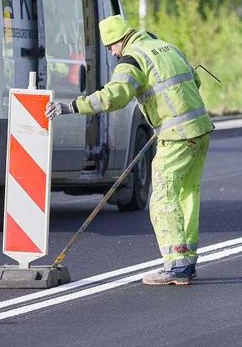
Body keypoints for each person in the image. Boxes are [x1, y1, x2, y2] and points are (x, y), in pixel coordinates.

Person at [46, 15, 213, 286]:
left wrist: (72, 107)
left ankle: (176, 268)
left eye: (111, 47)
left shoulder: (132, 59)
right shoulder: (166, 46)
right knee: (187, 194)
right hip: (200, 127)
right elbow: (193, 80)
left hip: (177, 135)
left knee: (162, 198)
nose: (112, 53)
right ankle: (187, 262)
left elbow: (114, 96)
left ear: (119, 41)